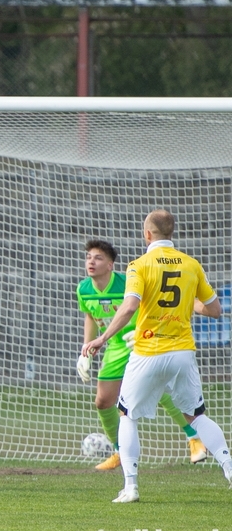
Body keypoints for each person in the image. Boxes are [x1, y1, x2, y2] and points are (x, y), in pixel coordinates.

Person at [82, 209, 232, 503]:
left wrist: (102, 337)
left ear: (147, 234)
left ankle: (131, 487)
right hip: (182, 352)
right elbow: (214, 310)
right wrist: (188, 304)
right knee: (197, 416)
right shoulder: (191, 264)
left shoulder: (139, 265)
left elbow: (128, 307)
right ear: (171, 233)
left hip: (150, 349)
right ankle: (229, 469)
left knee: (127, 415)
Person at [76, 239, 207, 470]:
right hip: (116, 346)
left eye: (98, 258)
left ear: (110, 265)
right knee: (103, 401)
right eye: (88, 257)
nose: (91, 262)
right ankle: (118, 450)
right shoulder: (83, 289)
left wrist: (140, 330)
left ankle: (194, 437)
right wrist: (86, 350)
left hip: (144, 339)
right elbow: (90, 316)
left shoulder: (127, 281)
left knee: (162, 392)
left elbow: (152, 304)